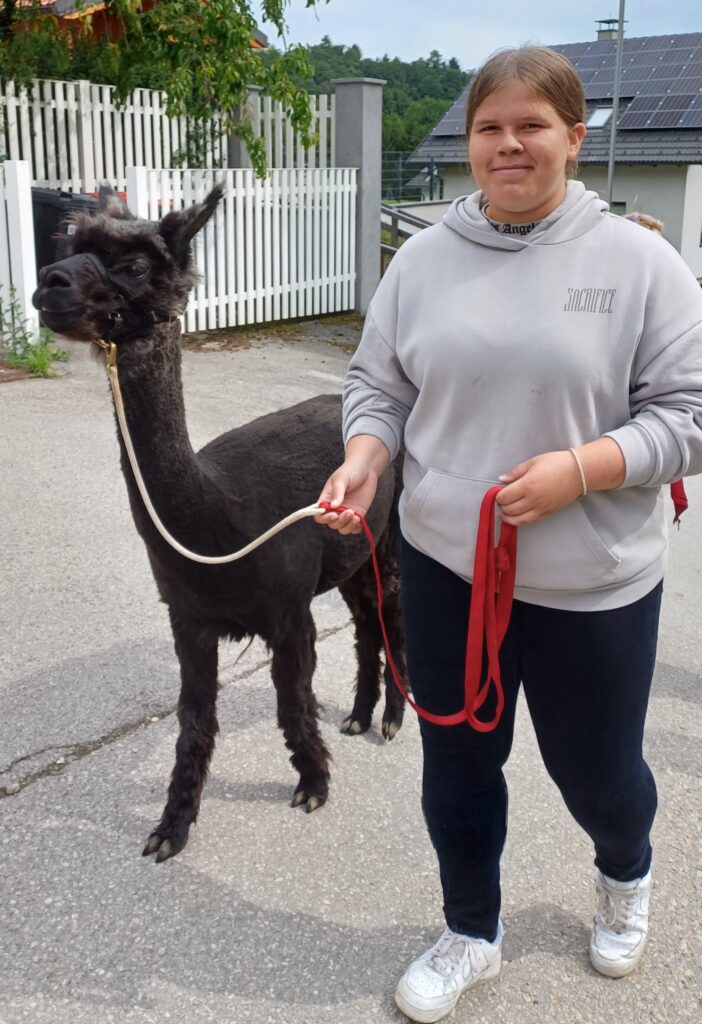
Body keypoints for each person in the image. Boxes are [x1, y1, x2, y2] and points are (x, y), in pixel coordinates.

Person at [315, 45, 702, 1024]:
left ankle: (627, 870)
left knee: (598, 771)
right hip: (447, 566)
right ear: (470, 141)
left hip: (594, 582)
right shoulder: (425, 261)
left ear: (575, 136)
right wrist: (366, 453)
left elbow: (688, 414)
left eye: (532, 125)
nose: (509, 144)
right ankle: (471, 930)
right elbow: (380, 383)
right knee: (456, 759)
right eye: (490, 127)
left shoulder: (640, 263)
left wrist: (584, 467)